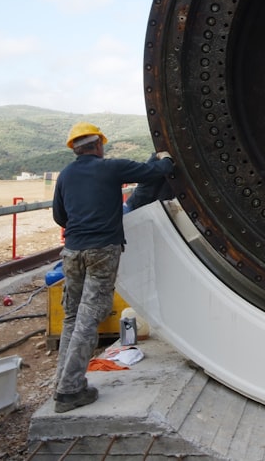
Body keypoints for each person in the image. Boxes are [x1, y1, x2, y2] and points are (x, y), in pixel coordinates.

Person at [51, 121, 174, 413]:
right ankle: (70, 390)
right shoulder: (110, 168)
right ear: (97, 145)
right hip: (101, 252)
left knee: (72, 317)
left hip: (72, 252)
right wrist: (166, 158)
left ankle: (61, 382)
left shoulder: (66, 175)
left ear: (75, 148)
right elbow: (155, 173)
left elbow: (60, 216)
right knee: (89, 318)